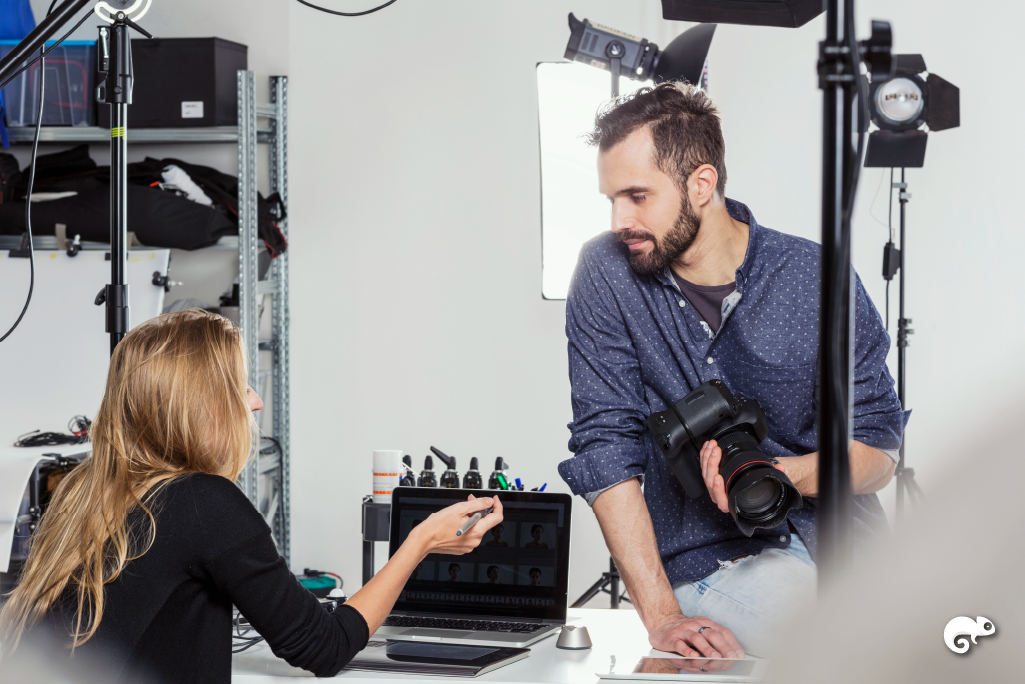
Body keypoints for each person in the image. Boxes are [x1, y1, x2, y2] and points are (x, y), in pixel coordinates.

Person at [557, 82, 906, 658]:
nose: (620, 218)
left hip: (851, 550)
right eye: (611, 198)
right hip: (713, 555)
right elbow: (604, 450)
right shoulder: (605, 272)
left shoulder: (816, 275)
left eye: (637, 196)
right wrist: (663, 617)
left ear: (702, 184)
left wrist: (782, 475)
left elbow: (878, 456)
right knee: (849, 655)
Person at [0, 310, 504, 683]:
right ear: (201, 406)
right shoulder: (202, 500)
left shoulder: (81, 492)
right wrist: (419, 543)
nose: (256, 401)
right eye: (240, 387)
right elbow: (325, 648)